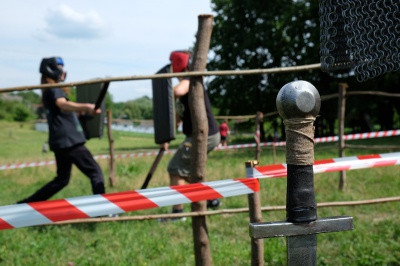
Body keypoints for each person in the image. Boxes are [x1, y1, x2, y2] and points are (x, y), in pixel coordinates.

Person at [17, 57, 106, 204]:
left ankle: (27, 204)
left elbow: (62, 112)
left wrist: (81, 114)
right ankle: (103, 210)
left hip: (60, 141)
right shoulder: (54, 88)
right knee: (95, 172)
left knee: (62, 180)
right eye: (59, 67)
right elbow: (62, 105)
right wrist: (87, 106)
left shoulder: (48, 90)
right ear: (51, 70)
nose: (63, 71)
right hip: (70, 141)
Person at [162, 50, 221, 220]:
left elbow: (178, 91)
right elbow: (179, 116)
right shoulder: (188, 83)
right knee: (189, 172)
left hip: (205, 135)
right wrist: (166, 136)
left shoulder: (191, 79)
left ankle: (178, 213)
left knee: (175, 169)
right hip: (204, 134)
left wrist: (164, 89)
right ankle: (211, 197)